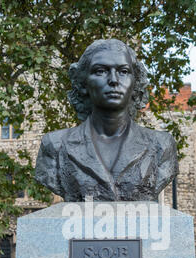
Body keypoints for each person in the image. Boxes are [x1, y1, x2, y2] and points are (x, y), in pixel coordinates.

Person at [35, 39, 178, 201]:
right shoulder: (54, 145)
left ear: (135, 82)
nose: (114, 80)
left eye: (123, 71)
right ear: (83, 83)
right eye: (100, 71)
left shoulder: (162, 145)